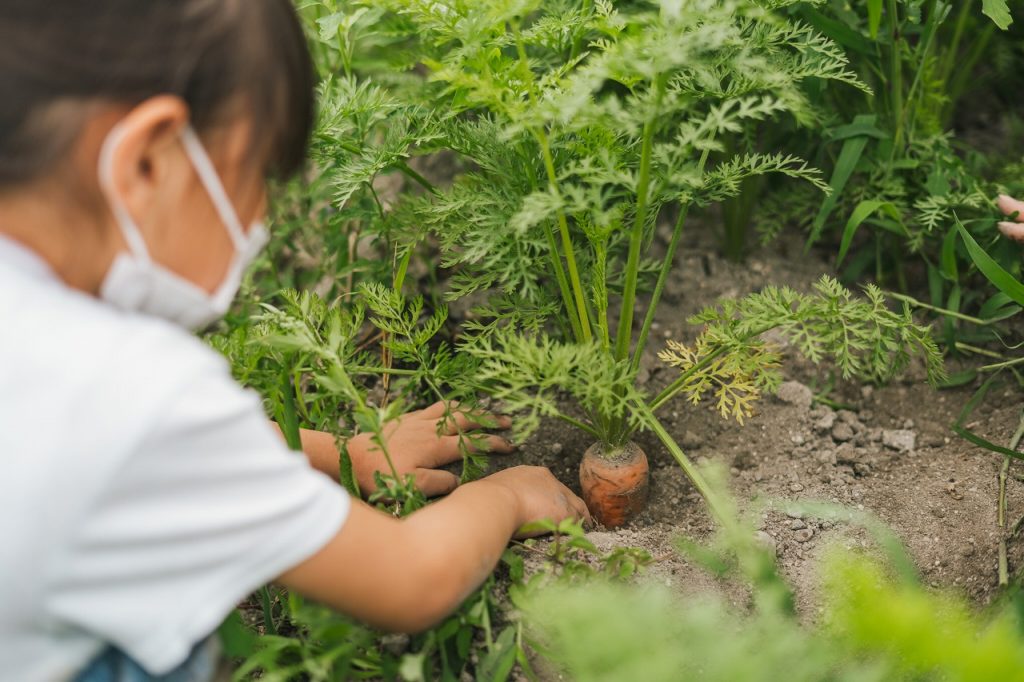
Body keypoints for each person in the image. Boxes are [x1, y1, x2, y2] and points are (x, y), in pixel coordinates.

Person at [0, 2, 589, 680]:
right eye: (258, 179)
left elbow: (133, 458)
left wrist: (344, 454)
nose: (261, 217)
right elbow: (412, 578)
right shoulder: (133, 390)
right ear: (146, 162)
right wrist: (506, 496)